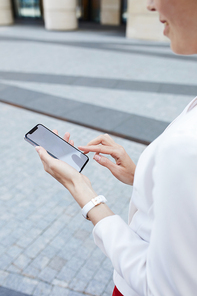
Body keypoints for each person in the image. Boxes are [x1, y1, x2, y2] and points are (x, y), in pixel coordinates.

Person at [35, 0, 197, 295]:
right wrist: (143, 177)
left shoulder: (187, 145)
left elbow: (161, 287)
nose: (149, 5)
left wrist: (82, 191)